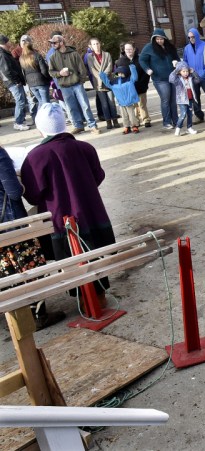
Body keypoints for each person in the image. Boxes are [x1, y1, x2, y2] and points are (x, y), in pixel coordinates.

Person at [20, 103, 116, 304]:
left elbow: (33, 194)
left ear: (40, 128)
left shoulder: (35, 156)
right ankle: (99, 297)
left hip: (59, 217)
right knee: (95, 252)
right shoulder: (85, 148)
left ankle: (86, 303)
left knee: (71, 258)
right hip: (91, 211)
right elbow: (98, 176)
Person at [0, 144, 65, 330]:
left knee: (7, 269)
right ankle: (38, 315)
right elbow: (13, 191)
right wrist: (20, 179)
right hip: (12, 224)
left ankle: (16, 318)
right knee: (28, 267)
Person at [47, 34, 100, 134]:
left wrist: (80, 81)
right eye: (52, 43)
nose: (52, 45)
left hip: (77, 84)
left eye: (54, 42)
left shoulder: (74, 54)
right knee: (71, 107)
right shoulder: (53, 57)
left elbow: (82, 69)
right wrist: (60, 73)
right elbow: (51, 72)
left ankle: (92, 125)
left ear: (62, 42)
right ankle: (78, 126)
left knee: (85, 105)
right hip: (64, 86)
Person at [140, 28, 179, 130]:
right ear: (154, 39)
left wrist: (176, 62)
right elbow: (142, 60)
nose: (159, 41)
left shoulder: (169, 47)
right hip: (160, 79)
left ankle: (176, 120)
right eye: (157, 39)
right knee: (165, 100)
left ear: (165, 39)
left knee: (173, 100)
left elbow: (176, 58)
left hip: (172, 77)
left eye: (161, 39)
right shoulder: (149, 48)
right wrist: (147, 69)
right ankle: (167, 122)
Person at [86, 38, 121, 130]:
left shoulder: (107, 54)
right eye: (94, 44)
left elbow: (110, 66)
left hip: (108, 81)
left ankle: (115, 120)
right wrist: (101, 77)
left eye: (97, 43)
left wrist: (104, 76)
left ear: (100, 44)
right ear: (90, 46)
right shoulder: (90, 57)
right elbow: (92, 69)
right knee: (104, 104)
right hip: (98, 83)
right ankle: (108, 121)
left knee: (111, 102)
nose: (96, 46)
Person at [117, 42, 151, 127]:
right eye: (126, 49)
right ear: (124, 50)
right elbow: (121, 75)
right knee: (134, 106)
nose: (128, 51)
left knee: (142, 104)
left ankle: (146, 119)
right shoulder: (120, 61)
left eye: (130, 49)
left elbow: (145, 72)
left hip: (141, 85)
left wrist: (143, 83)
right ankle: (136, 121)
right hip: (130, 88)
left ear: (134, 49)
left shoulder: (140, 59)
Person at [0, 34, 30, 131]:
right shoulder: (3, 54)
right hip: (13, 82)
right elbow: (6, 70)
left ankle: (21, 120)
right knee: (20, 101)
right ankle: (18, 122)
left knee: (21, 101)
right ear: (4, 42)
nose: (10, 42)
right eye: (8, 41)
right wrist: (16, 81)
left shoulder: (4, 53)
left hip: (13, 81)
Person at [99, 64, 140, 134]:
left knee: (132, 115)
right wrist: (102, 75)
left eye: (122, 73)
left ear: (125, 73)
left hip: (129, 101)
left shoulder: (129, 80)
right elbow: (107, 83)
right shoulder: (114, 82)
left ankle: (135, 126)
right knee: (124, 116)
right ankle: (127, 127)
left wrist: (132, 67)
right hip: (121, 102)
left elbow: (135, 77)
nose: (120, 74)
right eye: (119, 73)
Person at [183, 28, 205, 122]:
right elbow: (185, 61)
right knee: (195, 97)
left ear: (197, 36)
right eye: (189, 37)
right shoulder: (187, 48)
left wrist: (204, 72)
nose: (191, 39)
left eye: (193, 37)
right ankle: (199, 115)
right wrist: (187, 71)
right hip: (192, 77)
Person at [18, 37, 51, 125]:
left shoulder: (22, 58)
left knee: (40, 101)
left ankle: (39, 119)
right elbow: (44, 70)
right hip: (41, 81)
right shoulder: (36, 55)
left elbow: (23, 72)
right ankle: (47, 120)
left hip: (31, 83)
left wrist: (27, 82)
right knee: (46, 102)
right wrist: (48, 78)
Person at [168, 61, 200, 136]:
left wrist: (194, 72)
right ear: (179, 72)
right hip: (182, 100)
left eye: (187, 71)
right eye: (183, 71)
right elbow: (171, 79)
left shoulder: (191, 78)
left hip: (190, 99)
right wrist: (175, 69)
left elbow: (198, 80)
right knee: (183, 114)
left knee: (190, 114)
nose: (186, 73)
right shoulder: (178, 80)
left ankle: (189, 128)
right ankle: (178, 128)